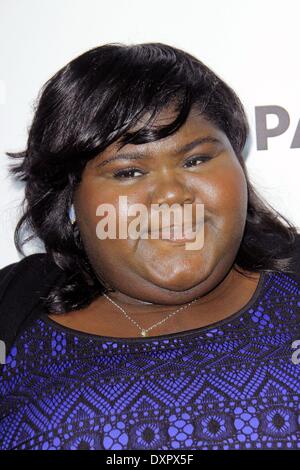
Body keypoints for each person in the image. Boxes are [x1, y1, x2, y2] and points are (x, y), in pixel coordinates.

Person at [0, 42, 299, 451]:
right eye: (129, 171)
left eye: (195, 161)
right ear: (70, 199)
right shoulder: (11, 309)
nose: (171, 196)